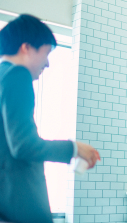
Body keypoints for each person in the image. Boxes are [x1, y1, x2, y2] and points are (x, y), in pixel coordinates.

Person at [0, 14, 100, 223]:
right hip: (21, 207)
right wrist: (73, 148)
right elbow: (23, 145)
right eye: (46, 53)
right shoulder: (17, 75)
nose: (47, 64)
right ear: (26, 47)